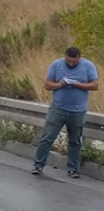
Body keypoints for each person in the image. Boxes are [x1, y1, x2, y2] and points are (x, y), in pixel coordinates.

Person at [31, 47, 99, 179]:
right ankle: (38, 165)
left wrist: (77, 84)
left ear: (80, 58)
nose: (71, 64)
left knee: (75, 141)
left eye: (74, 61)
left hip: (78, 111)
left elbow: (95, 85)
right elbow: (48, 84)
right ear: (65, 57)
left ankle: (73, 169)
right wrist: (61, 84)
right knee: (47, 138)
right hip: (58, 108)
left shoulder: (88, 65)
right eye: (69, 61)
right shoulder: (56, 64)